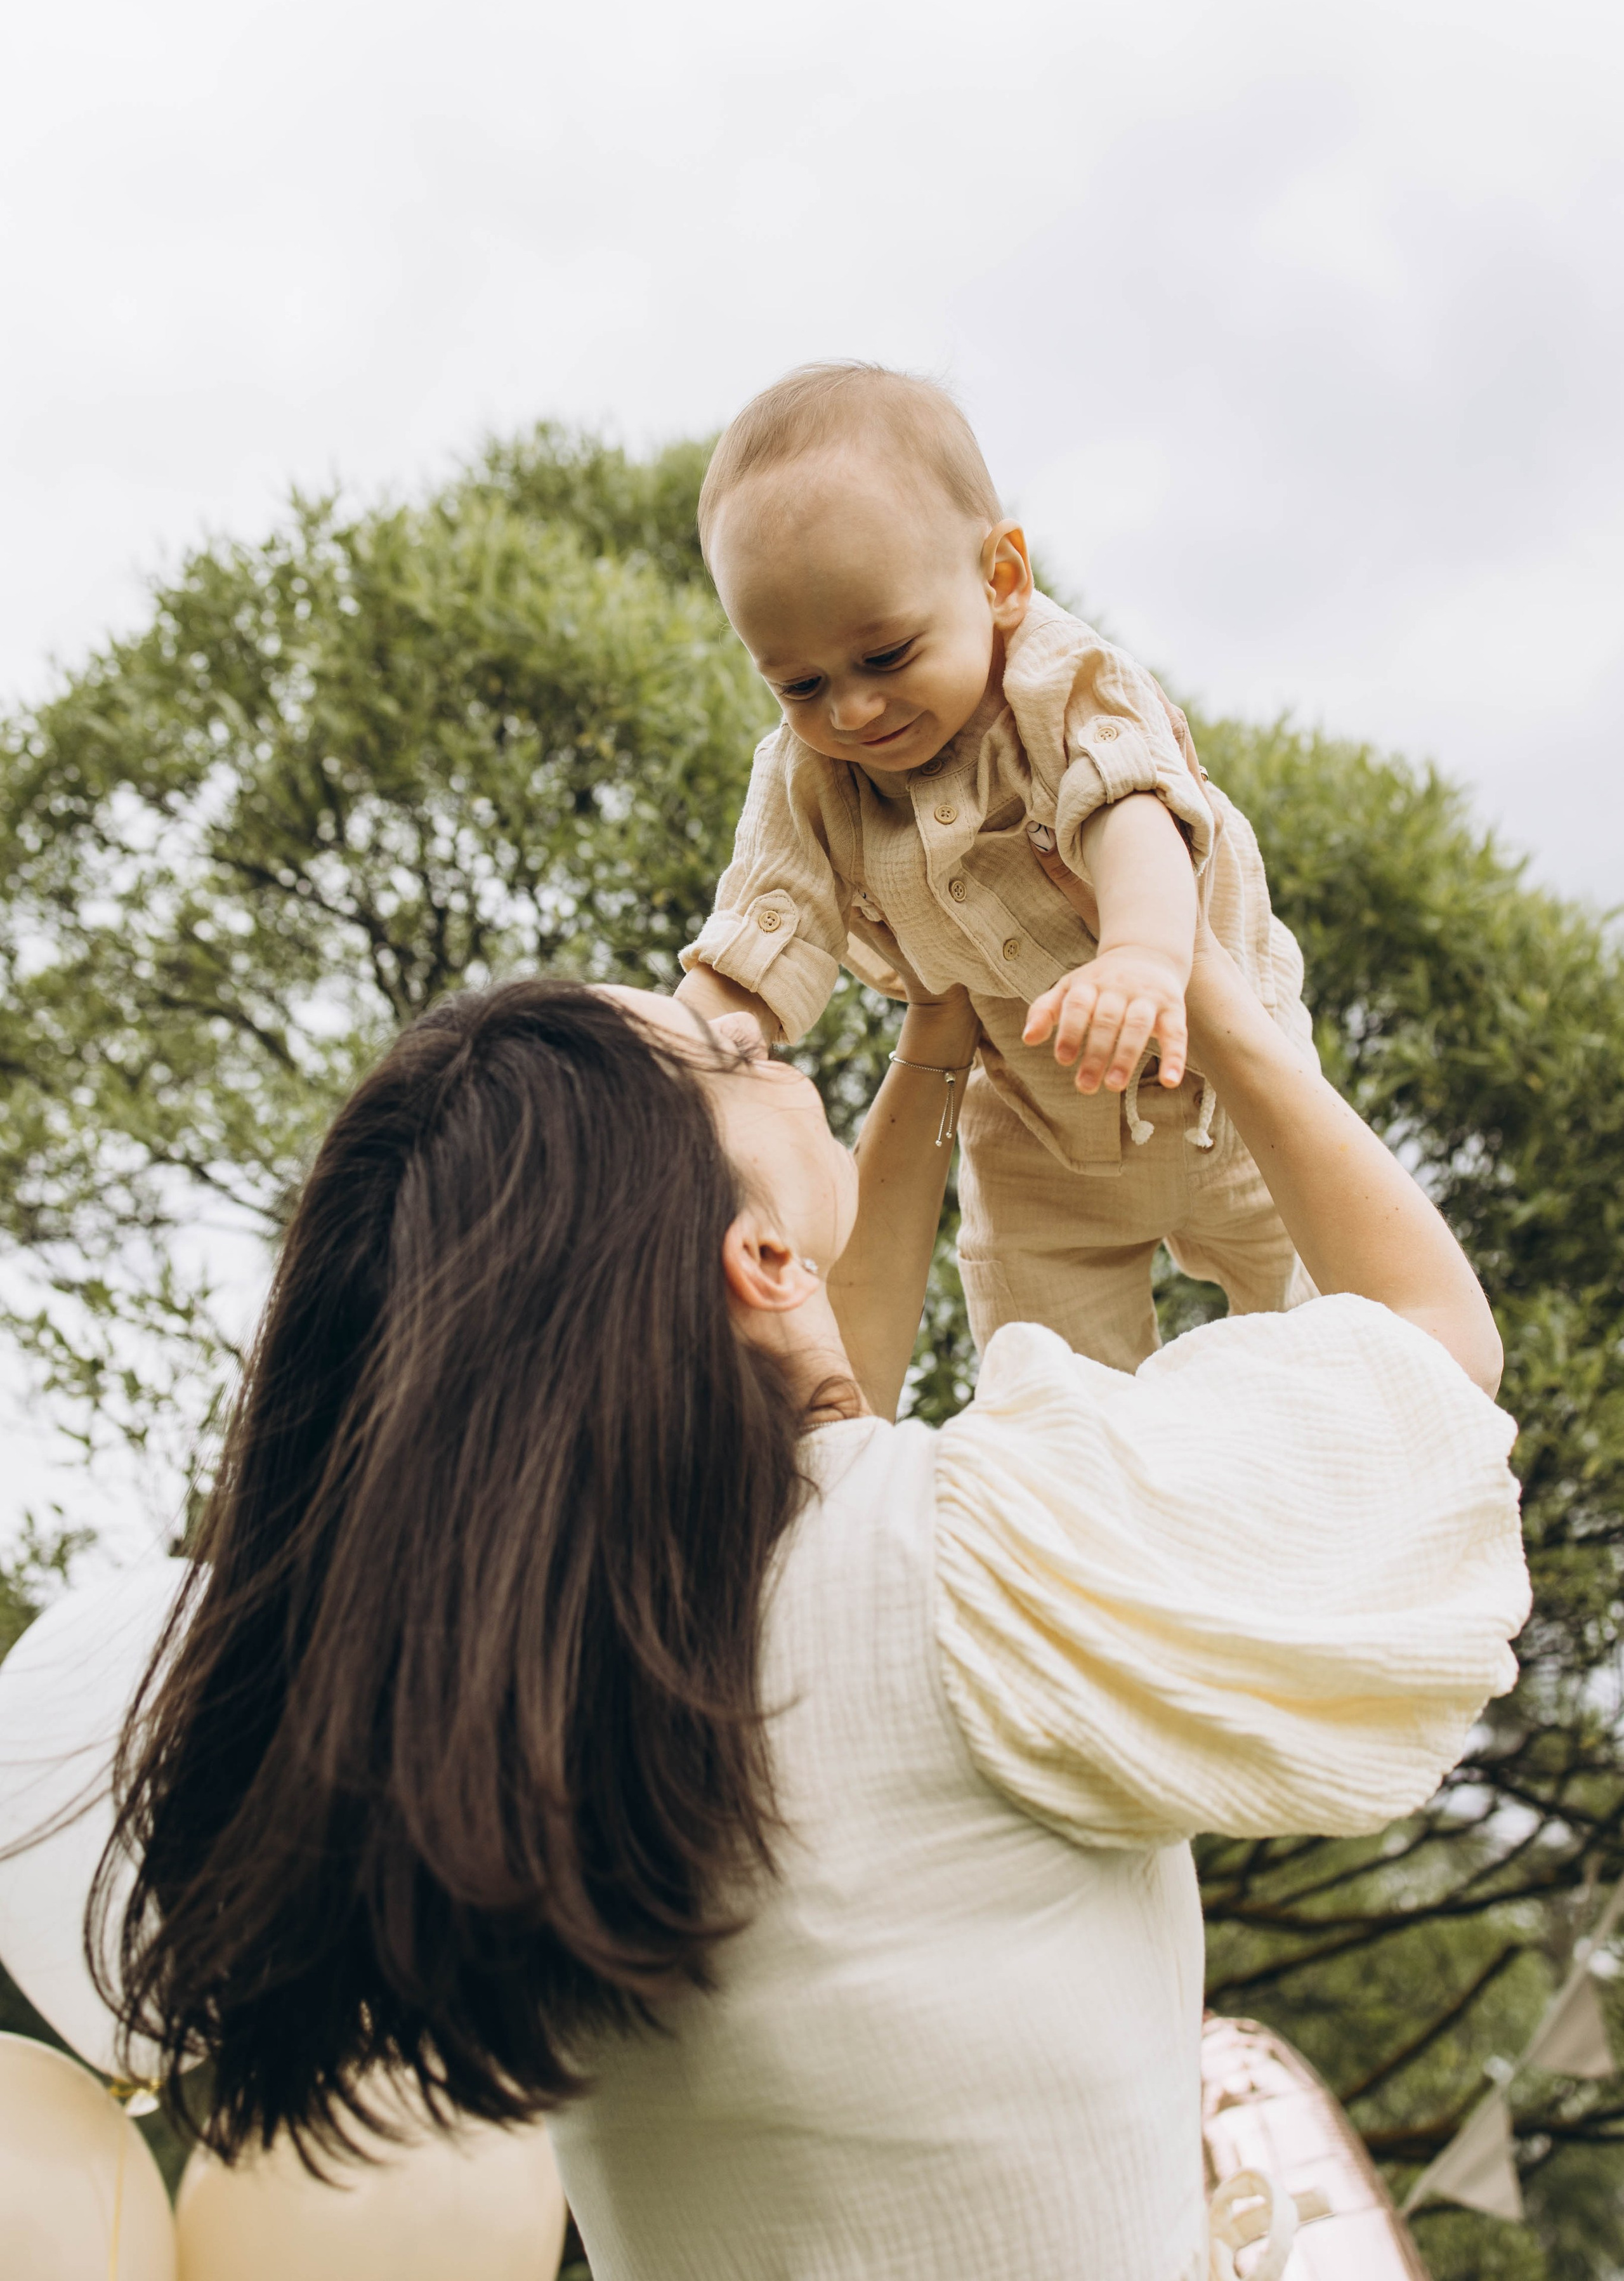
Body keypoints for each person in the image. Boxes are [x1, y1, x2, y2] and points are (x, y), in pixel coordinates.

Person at [105, 908, 1526, 2280]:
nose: (755, 1030)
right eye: (724, 1060)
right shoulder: (976, 1559)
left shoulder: (526, 1698)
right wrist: (1204, 980)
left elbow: (827, 1448)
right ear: (762, 1261)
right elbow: (1430, 1356)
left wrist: (931, 1061)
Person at [679, 360, 1321, 1372]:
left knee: (1327, 1333)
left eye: (886, 656)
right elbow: (766, 929)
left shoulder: (1067, 685)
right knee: (1049, 1384)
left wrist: (1145, 959)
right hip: (1035, 1135)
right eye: (798, 683)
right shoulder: (808, 776)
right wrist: (675, 1059)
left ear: (1001, 579)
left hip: (1226, 1099)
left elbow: (1132, 816)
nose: (851, 711)